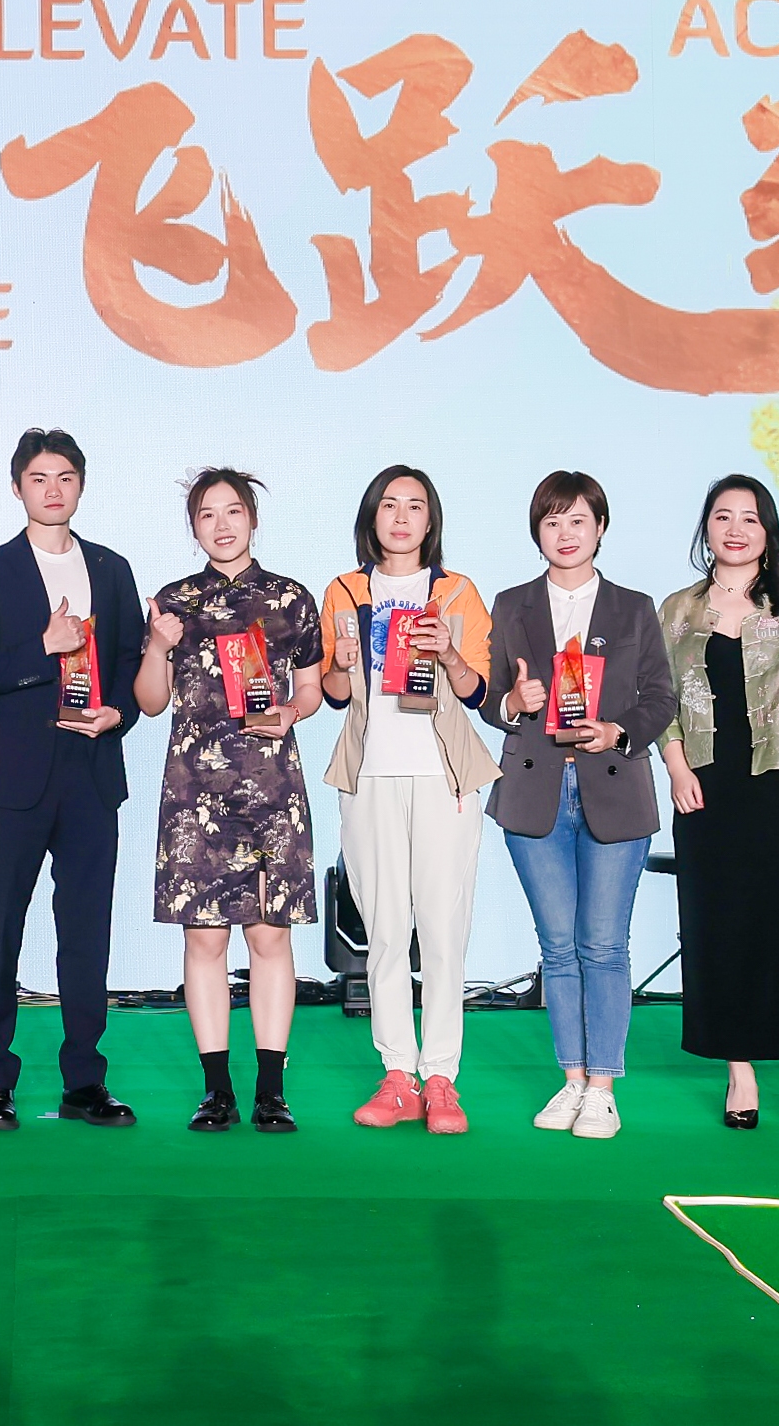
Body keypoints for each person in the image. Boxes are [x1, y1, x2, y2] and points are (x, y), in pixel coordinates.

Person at [0, 429, 146, 1130]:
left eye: (65, 477)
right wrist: (43, 647)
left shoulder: (112, 568)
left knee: (87, 930)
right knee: (1, 925)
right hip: (14, 777)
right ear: (17, 489)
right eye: (38, 478)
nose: (53, 489)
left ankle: (84, 1081)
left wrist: (117, 712)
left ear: (81, 486)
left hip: (91, 772)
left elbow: (128, 662)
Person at [483, 471, 677, 1139]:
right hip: (533, 789)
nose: (564, 534)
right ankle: (571, 1079)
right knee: (557, 947)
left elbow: (660, 697)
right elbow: (490, 700)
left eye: (577, 521)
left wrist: (617, 730)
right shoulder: (511, 604)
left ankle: (603, 1088)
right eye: (551, 521)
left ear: (599, 528)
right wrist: (514, 703)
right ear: (536, 531)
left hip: (613, 785)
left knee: (604, 944)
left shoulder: (633, 608)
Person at [134, 468, 323, 1133]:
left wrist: (291, 712)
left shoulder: (291, 598)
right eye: (207, 514)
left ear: (253, 519)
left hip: (272, 789)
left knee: (269, 936)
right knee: (205, 937)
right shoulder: (173, 602)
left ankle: (271, 1091)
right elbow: (149, 701)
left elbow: (311, 689)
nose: (221, 524)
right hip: (195, 795)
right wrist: (157, 645)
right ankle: (216, 1091)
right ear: (193, 527)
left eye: (233, 511)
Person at [316, 465, 499, 1135]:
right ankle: (397, 1075)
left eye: (414, 506)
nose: (400, 517)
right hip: (369, 777)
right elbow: (334, 693)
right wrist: (340, 663)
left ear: (430, 520)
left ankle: (442, 1077)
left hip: (442, 776)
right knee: (386, 931)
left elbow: (478, 691)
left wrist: (448, 653)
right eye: (389, 504)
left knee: (444, 931)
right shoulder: (343, 590)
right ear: (371, 516)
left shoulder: (457, 591)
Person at [658, 473, 779, 1135]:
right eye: (722, 517)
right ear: (706, 529)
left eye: (749, 518)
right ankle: (740, 1073)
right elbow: (660, 701)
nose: (735, 529)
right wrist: (675, 766)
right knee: (720, 926)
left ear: (768, 533)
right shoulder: (677, 610)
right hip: (707, 786)